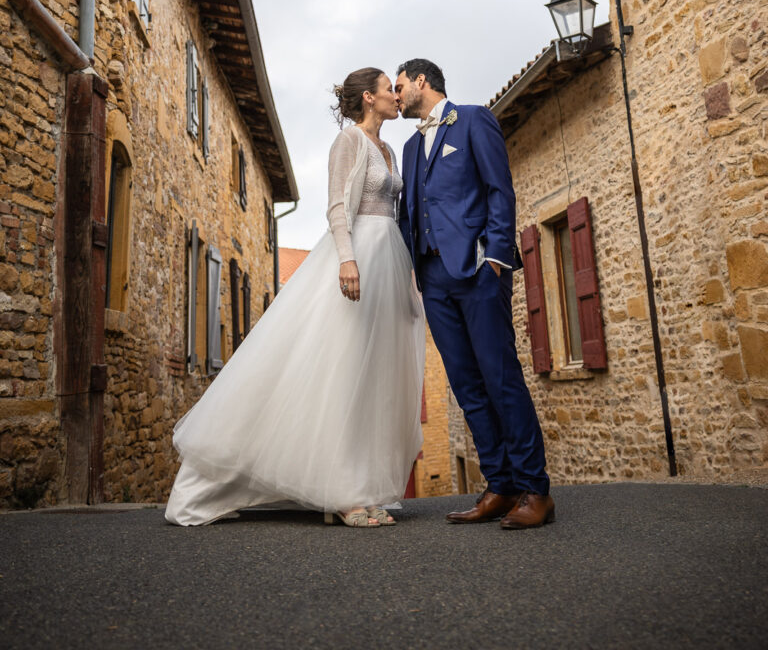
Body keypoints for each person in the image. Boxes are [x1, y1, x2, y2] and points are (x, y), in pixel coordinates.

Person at [165, 67, 425, 528]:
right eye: (389, 89)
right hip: (359, 257)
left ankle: (361, 484)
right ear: (369, 98)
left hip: (389, 261)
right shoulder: (350, 142)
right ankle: (340, 494)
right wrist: (347, 259)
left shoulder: (387, 149)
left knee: (371, 378)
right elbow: (337, 205)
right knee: (343, 372)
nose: (395, 95)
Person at [394, 59, 554, 529]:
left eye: (400, 85)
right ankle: (500, 485)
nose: (396, 94)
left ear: (422, 80)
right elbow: (412, 212)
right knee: (466, 385)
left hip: (479, 270)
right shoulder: (407, 148)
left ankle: (535, 490)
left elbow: (498, 190)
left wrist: (499, 258)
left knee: (500, 377)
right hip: (433, 278)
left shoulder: (472, 119)